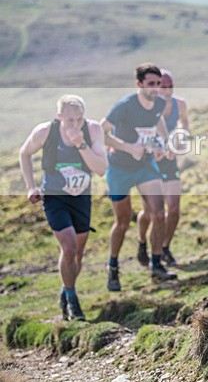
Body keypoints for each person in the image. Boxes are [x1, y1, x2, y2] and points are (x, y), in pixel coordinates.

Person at [19, 95, 108, 321]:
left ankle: (65, 290)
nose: (75, 125)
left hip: (81, 198)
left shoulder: (93, 130)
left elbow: (100, 169)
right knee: (68, 248)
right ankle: (72, 300)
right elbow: (24, 153)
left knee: (77, 254)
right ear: (59, 118)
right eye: (69, 120)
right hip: (54, 197)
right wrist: (31, 187)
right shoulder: (45, 132)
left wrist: (81, 144)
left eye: (79, 119)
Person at [101, 63, 177, 291]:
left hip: (145, 166)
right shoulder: (124, 106)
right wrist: (128, 147)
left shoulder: (159, 103)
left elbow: (158, 121)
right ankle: (113, 267)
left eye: (158, 84)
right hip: (119, 169)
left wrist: (163, 143)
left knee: (159, 213)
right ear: (140, 84)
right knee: (123, 222)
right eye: (151, 84)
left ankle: (156, 265)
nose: (156, 89)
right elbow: (101, 132)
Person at [136, 69, 189, 267]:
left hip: (169, 159)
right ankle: (142, 242)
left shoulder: (180, 104)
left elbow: (184, 124)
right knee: (150, 213)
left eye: (169, 87)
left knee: (173, 209)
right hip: (149, 163)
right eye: (162, 87)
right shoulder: (146, 107)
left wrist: (180, 139)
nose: (166, 91)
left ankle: (164, 248)